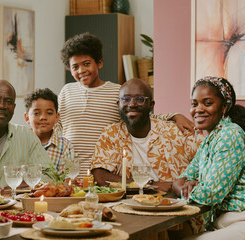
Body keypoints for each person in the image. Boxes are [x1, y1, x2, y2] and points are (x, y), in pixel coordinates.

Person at [59, 32, 195, 177]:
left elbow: (141, 115)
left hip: (101, 170)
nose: (81, 71)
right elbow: (58, 124)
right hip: (69, 171)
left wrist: (174, 116)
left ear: (99, 63)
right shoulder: (66, 91)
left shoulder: (117, 91)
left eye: (86, 64)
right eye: (75, 67)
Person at [172, 77, 245, 240]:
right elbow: (184, 177)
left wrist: (180, 188)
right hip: (225, 221)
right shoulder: (209, 141)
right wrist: (184, 184)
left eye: (207, 103)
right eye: (194, 104)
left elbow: (210, 193)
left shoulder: (230, 134)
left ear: (224, 107)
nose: (198, 109)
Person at [91, 78, 203, 192]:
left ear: (151, 105)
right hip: (126, 204)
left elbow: (209, 155)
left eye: (140, 99)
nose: (132, 104)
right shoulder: (110, 134)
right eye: (126, 99)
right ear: (118, 104)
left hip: (172, 203)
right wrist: (151, 185)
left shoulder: (176, 132)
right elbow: (100, 176)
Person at [24, 88, 74, 171]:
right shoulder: (19, 143)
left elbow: (66, 178)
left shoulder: (65, 146)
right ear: (27, 118)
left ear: (57, 117)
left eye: (49, 113)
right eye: (36, 113)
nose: (43, 117)